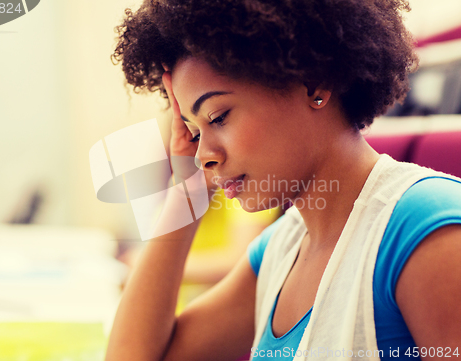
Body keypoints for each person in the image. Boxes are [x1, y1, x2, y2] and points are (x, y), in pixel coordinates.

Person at [106, 0, 461, 360]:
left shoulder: (425, 228)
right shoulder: (280, 250)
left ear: (314, 85)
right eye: (194, 131)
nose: (202, 156)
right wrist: (187, 193)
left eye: (218, 117)